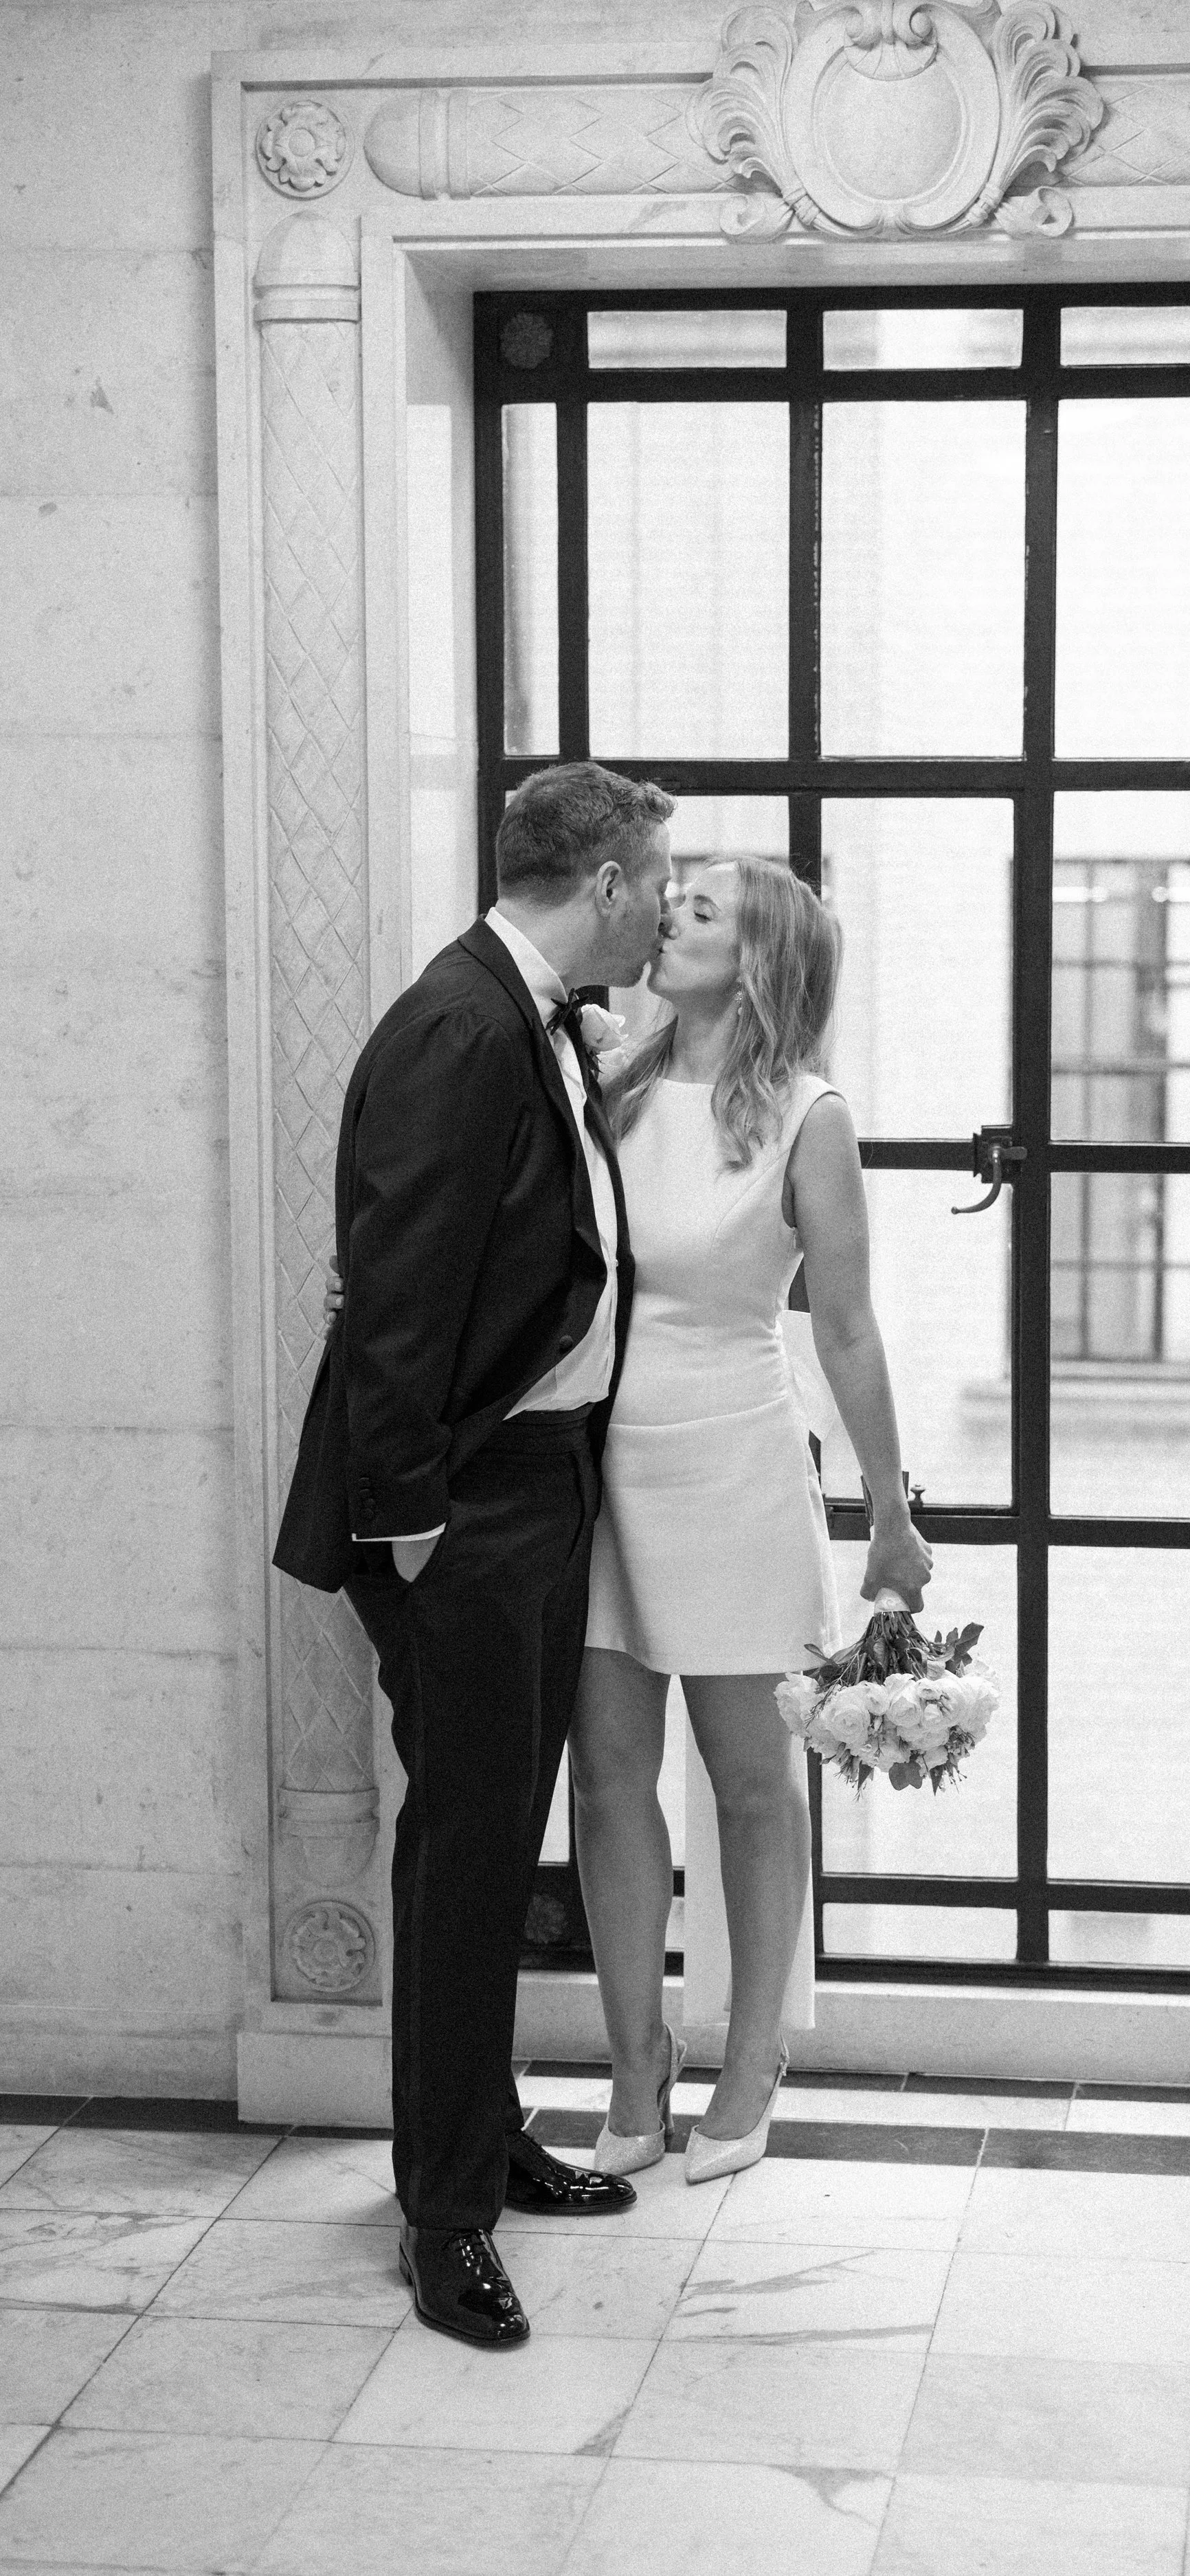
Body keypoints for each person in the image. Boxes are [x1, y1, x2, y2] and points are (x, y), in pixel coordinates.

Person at [275, 762, 673, 2348]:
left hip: (537, 1483)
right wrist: (413, 1520)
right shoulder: (456, 1026)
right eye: (654, 875)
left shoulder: (528, 1011)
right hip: (465, 1506)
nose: (662, 900)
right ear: (596, 883)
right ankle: (444, 2219)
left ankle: (478, 2138)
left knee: (499, 1841)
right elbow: (396, 1287)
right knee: (463, 1858)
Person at [573, 855, 933, 2184]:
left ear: (764, 958)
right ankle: (632, 2068)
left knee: (749, 1784)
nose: (667, 915)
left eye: (702, 910)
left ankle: (752, 2063)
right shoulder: (603, 1076)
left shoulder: (807, 1115)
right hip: (595, 1461)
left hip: (732, 1459)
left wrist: (888, 1508)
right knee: (605, 1777)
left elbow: (843, 1324)